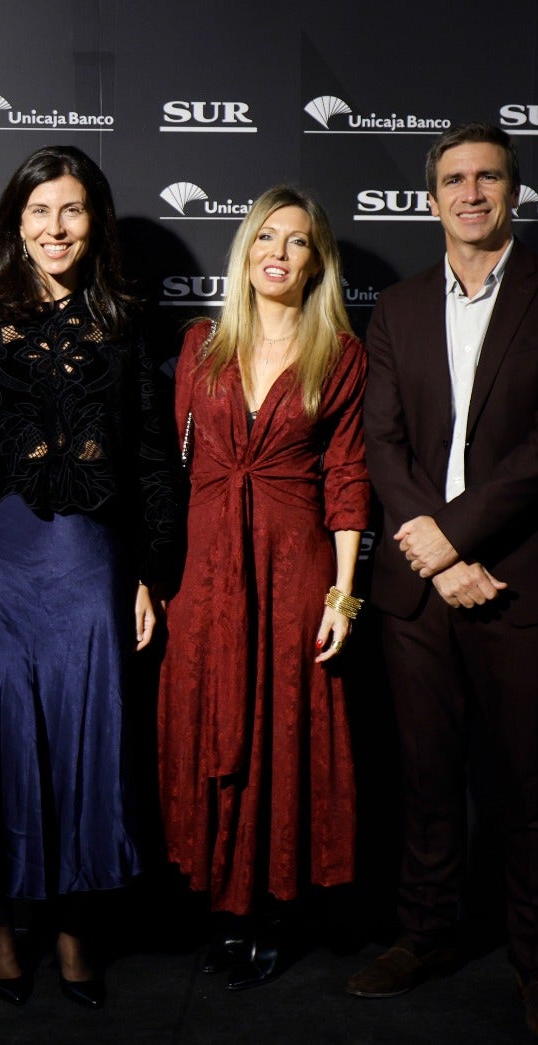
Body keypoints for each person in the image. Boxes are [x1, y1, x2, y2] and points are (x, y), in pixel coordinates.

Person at [350, 123, 538, 1045]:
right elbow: (382, 442)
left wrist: (455, 538)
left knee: (531, 784)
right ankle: (424, 934)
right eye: (453, 180)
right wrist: (439, 558)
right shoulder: (397, 305)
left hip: (527, 576)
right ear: (431, 200)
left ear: (512, 191)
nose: (470, 193)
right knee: (424, 775)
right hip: (420, 588)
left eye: (487, 177)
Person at [0, 145, 178, 1010]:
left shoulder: (123, 317)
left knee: (84, 742)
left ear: (93, 220)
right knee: (1, 740)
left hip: (88, 558)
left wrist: (150, 569)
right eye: (39, 212)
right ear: (17, 222)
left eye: (70, 211)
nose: (55, 228)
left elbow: (150, 450)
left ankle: (75, 922)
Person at [157, 185, 369, 991]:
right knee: (212, 721)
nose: (278, 252)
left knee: (284, 733)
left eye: (299, 241)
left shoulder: (342, 356)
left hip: (294, 571)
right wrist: (156, 577)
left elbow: (348, 478)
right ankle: (223, 906)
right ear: (246, 251)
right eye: (265, 237)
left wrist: (342, 593)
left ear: (319, 261)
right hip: (206, 574)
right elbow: (166, 477)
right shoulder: (200, 346)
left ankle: (274, 908)